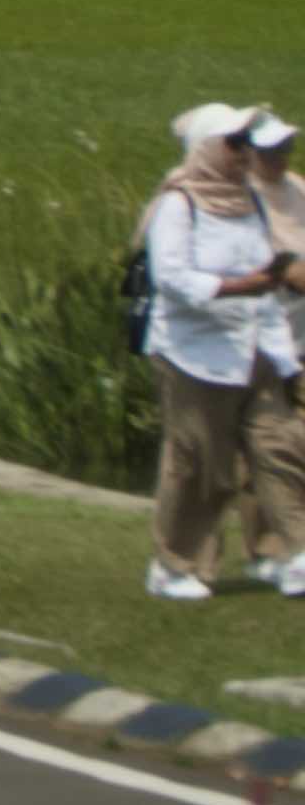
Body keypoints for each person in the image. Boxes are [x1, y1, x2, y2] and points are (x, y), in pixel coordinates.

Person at [143, 100, 305, 598]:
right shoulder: (179, 204)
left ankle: (293, 551)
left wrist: (271, 291)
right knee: (199, 464)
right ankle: (174, 564)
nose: (243, 154)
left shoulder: (250, 202)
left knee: (280, 447)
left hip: (256, 349)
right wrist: (241, 287)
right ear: (209, 149)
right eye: (234, 144)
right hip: (196, 355)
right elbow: (171, 280)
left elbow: (266, 276)